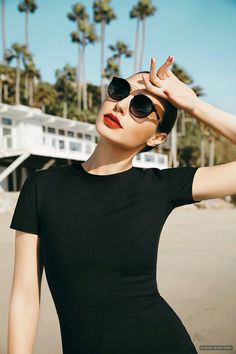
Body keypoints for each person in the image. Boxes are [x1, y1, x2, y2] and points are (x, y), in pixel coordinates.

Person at [8, 55, 236, 354]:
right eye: (119, 90)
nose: (121, 105)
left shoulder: (160, 187)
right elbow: (25, 296)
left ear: (158, 137)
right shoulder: (41, 186)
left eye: (141, 107)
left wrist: (194, 106)